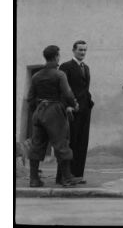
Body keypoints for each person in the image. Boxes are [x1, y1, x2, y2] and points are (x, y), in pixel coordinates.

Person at [26, 45, 79, 188]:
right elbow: (68, 93)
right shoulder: (59, 74)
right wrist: (73, 104)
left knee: (36, 145)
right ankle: (67, 178)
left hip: (39, 112)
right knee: (61, 144)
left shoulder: (36, 76)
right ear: (56, 57)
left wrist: (36, 111)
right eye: (58, 56)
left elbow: (30, 98)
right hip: (54, 111)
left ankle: (34, 179)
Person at [56, 40, 94, 184]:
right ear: (73, 50)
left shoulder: (86, 67)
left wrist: (89, 103)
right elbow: (62, 89)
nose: (83, 53)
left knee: (81, 142)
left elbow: (85, 88)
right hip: (72, 110)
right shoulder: (66, 67)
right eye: (80, 50)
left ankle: (77, 175)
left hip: (85, 109)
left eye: (85, 50)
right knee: (69, 143)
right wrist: (67, 106)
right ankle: (63, 177)